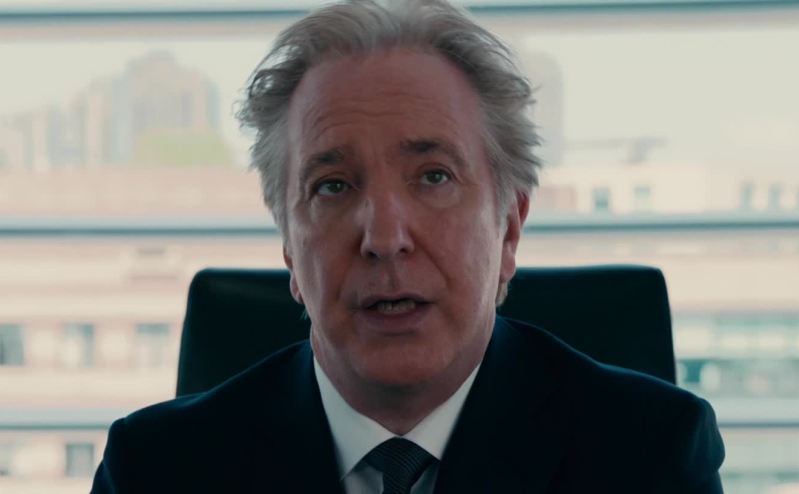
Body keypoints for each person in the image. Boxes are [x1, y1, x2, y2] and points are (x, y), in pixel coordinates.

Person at [91, 1, 725, 493]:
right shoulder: (155, 470)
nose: (385, 239)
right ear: (289, 245)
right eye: (333, 185)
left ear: (509, 227)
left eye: (433, 177)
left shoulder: (650, 456)